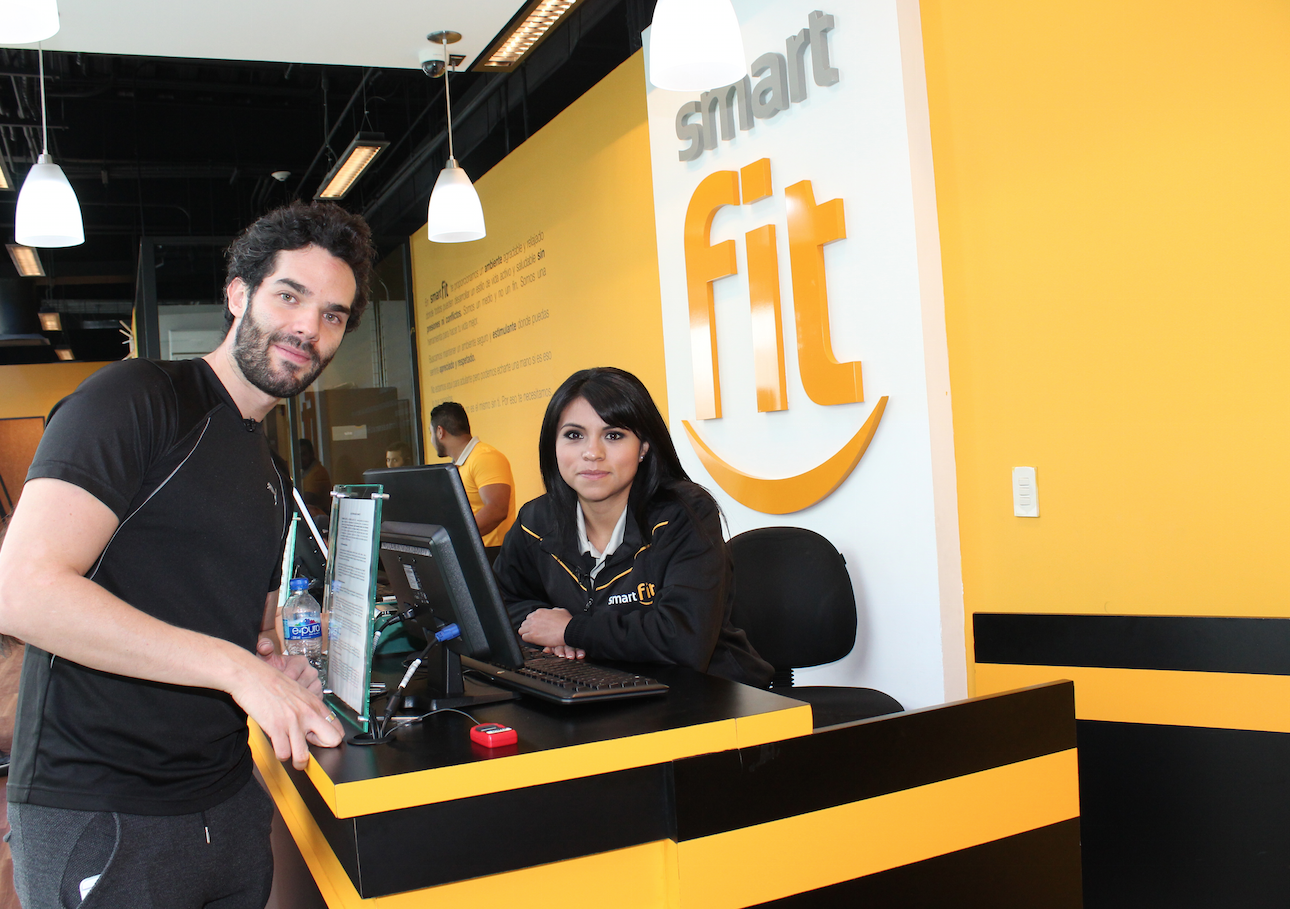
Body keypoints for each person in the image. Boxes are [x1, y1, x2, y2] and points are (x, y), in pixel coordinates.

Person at [0, 200, 374, 909]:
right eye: (289, 296)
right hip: (105, 810)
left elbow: (234, 626)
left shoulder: (268, 471)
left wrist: (271, 661)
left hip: (226, 800)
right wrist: (237, 669)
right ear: (237, 294)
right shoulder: (136, 398)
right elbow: (21, 590)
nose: (308, 327)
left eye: (332, 315)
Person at [492, 367, 773, 687]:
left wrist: (572, 630)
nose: (592, 453)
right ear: (552, 445)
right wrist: (545, 629)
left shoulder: (684, 514)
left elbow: (683, 640)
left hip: (706, 692)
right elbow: (498, 603)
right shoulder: (536, 521)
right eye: (574, 435)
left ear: (643, 447)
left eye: (613, 435)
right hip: (600, 686)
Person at [430, 402, 516, 547]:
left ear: (440, 432)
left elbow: (497, 509)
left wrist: (454, 537)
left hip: (492, 553)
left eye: (430, 433)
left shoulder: (484, 457)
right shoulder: (458, 465)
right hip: (472, 550)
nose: (431, 440)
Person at [298, 437, 331, 514]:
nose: (300, 459)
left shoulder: (317, 472)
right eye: (298, 455)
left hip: (320, 517)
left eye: (303, 454)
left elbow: (306, 500)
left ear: (311, 454)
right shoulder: (305, 472)